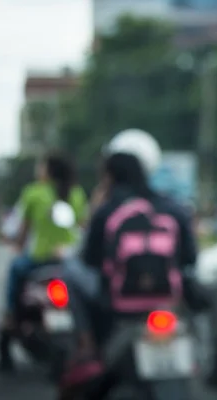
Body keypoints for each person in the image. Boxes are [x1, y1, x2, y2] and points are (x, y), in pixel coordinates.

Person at [58, 151, 198, 392]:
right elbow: (190, 257)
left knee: (69, 270)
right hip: (167, 301)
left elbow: (90, 259)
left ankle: (87, 344)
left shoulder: (107, 210)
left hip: (118, 305)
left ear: (109, 176)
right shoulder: (173, 208)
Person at [0, 152, 88, 334]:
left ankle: (10, 317)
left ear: (48, 170)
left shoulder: (33, 192)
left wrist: (17, 245)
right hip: (69, 260)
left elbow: (23, 230)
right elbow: (83, 228)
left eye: (41, 166)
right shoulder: (77, 193)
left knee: (15, 270)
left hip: (40, 258)